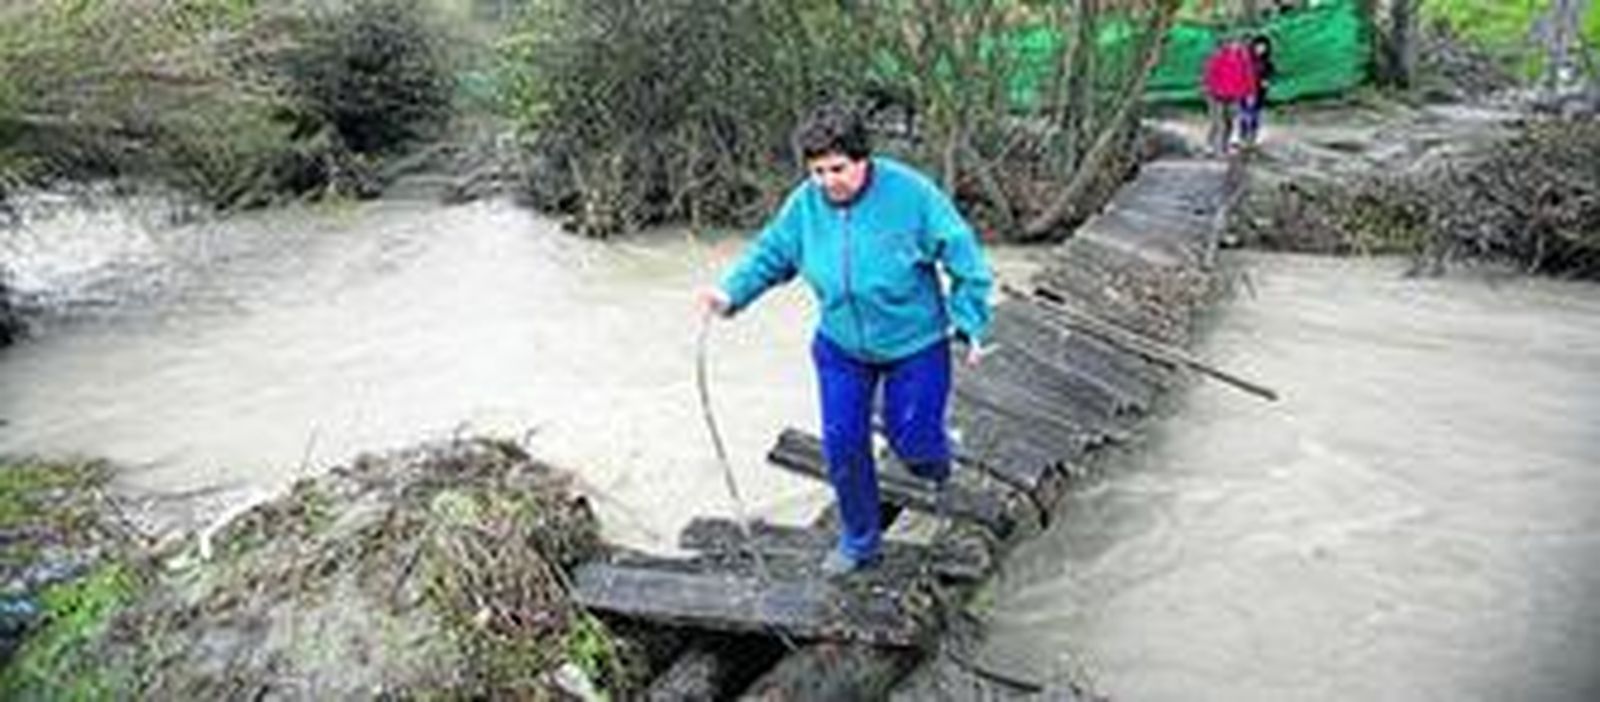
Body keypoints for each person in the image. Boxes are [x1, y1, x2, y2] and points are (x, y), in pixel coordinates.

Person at [695, 102, 994, 576]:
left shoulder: (912, 196)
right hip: (841, 348)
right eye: (817, 171)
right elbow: (772, 254)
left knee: (914, 444)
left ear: (863, 159)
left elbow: (965, 258)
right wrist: (730, 294)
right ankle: (860, 541)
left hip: (915, 345)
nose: (829, 181)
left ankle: (935, 463)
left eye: (838, 168)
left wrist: (969, 321)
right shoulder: (805, 205)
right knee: (843, 444)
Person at [1201, 37, 1259, 156]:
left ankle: (1224, 145)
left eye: (1238, 43)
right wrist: (1210, 89)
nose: (1235, 45)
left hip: (1233, 95)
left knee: (1229, 122)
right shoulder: (1218, 56)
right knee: (1217, 121)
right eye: (1233, 43)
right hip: (1216, 95)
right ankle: (1210, 145)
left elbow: (1249, 76)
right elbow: (1210, 75)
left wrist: (1251, 93)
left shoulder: (1243, 59)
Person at [1238, 35, 1275, 147]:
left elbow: (1269, 75)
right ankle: (1243, 136)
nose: (1261, 49)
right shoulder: (1247, 60)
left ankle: (1252, 136)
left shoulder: (1267, 63)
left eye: (1263, 47)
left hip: (1259, 92)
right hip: (1246, 91)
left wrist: (1266, 81)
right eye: (1259, 46)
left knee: (1255, 115)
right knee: (1245, 113)